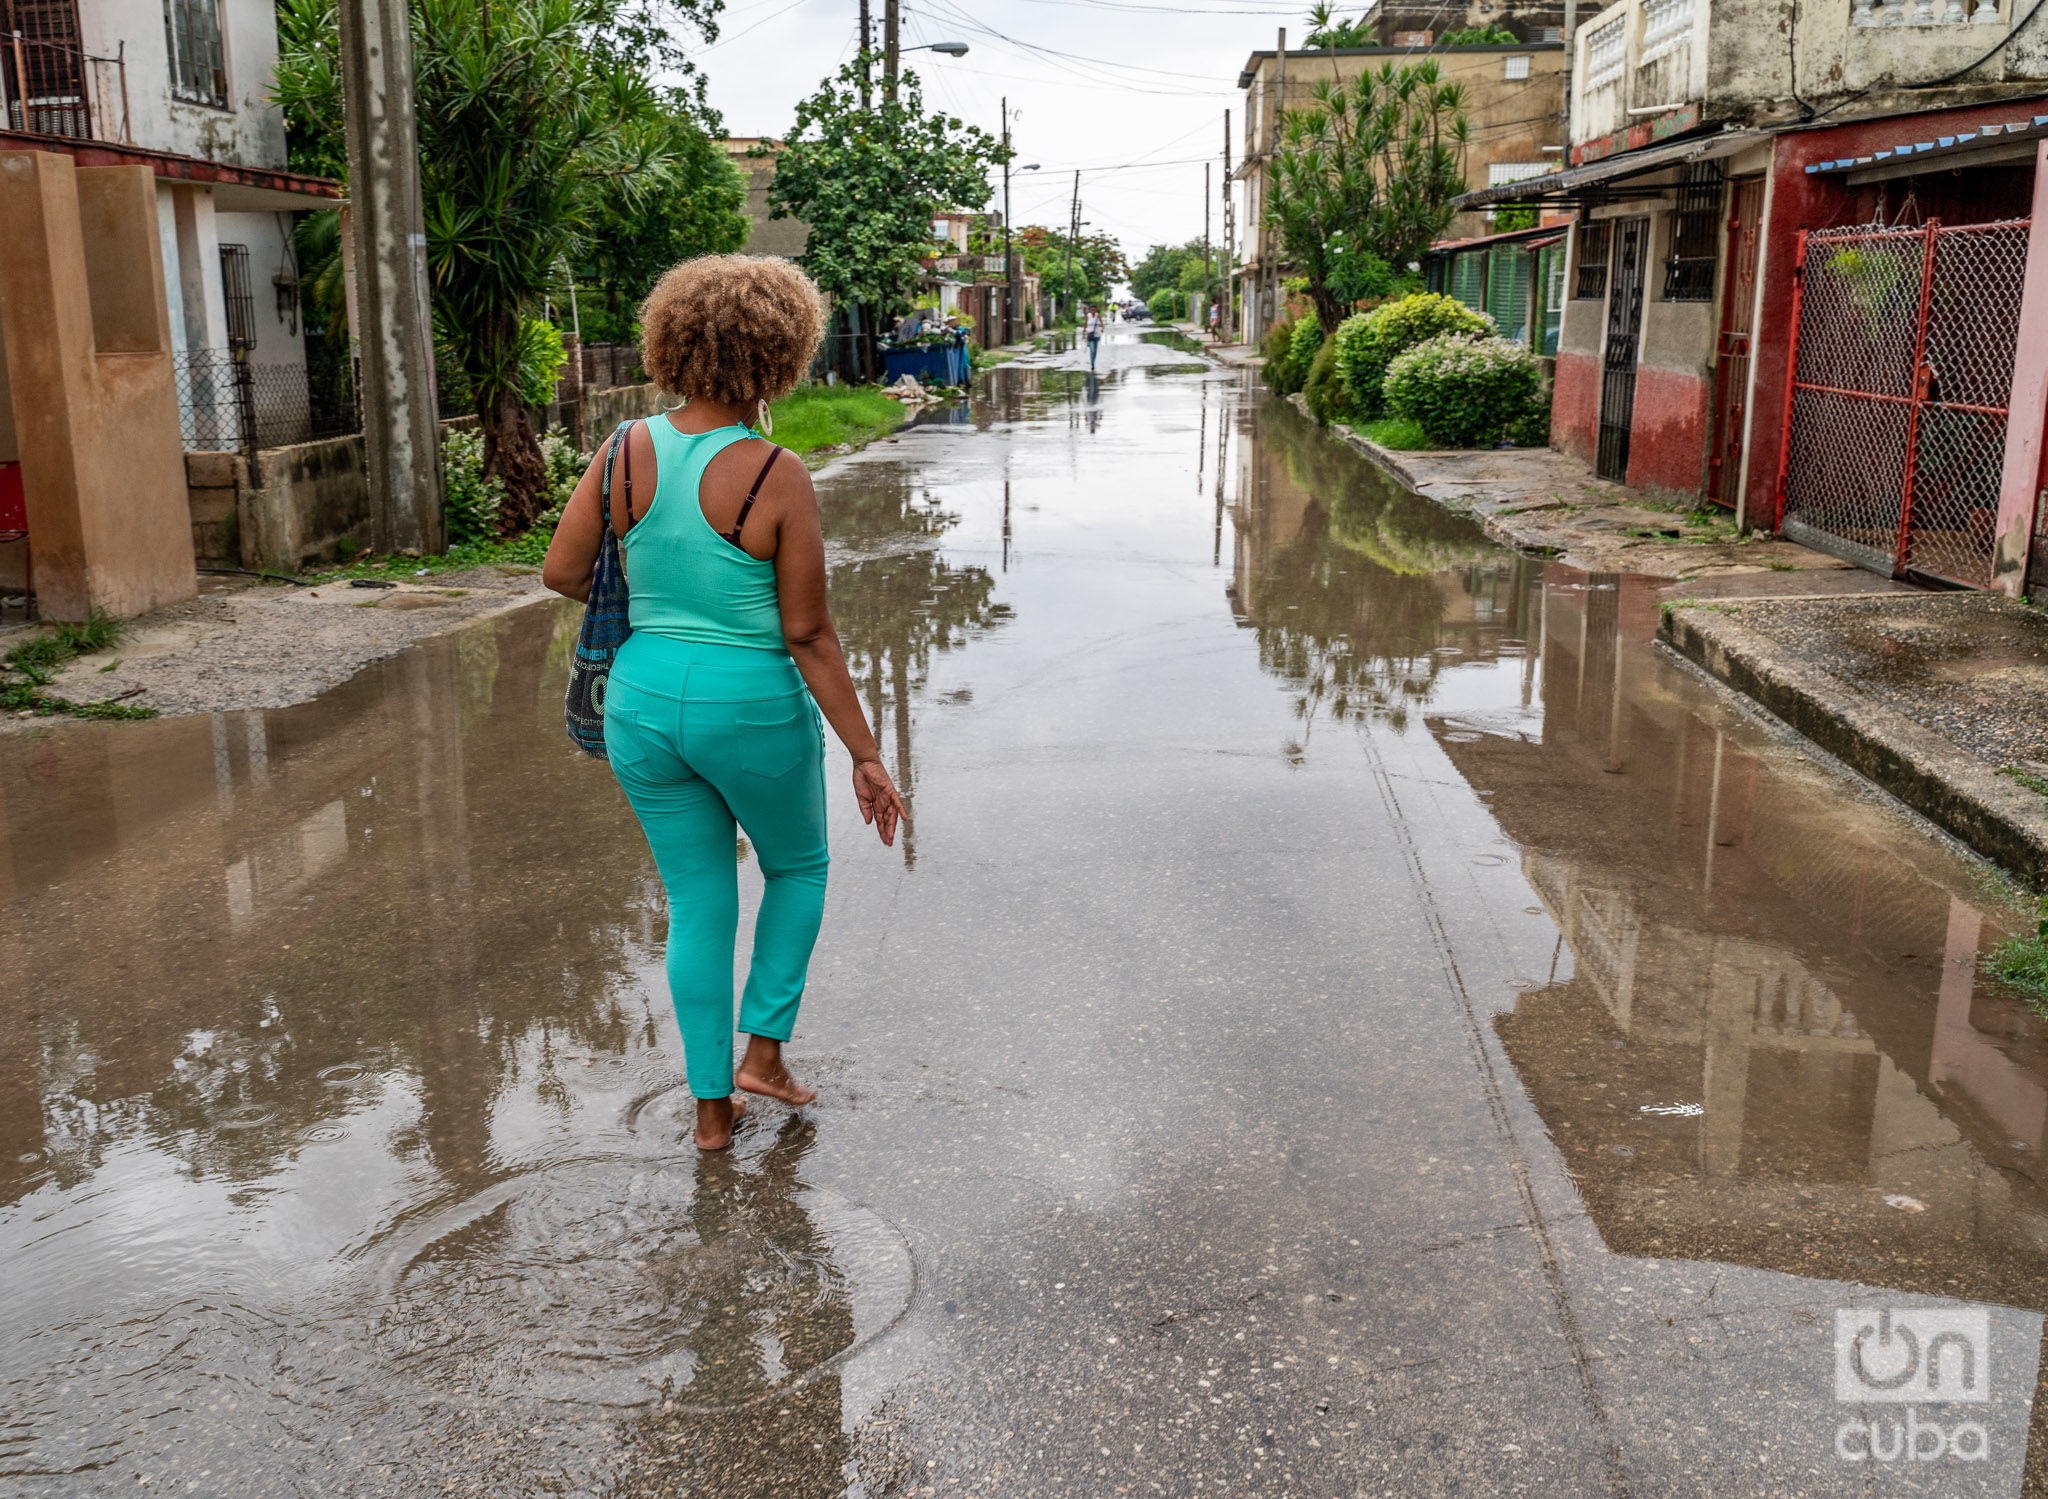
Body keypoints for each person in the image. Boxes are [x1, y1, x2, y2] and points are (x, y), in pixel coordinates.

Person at [543, 255, 905, 1152]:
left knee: (698, 903)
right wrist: (865, 752)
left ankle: (711, 1114)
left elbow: (559, 572)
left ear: (671, 342)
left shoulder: (624, 448)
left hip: (641, 698)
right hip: (748, 704)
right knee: (797, 869)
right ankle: (765, 1056)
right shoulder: (773, 471)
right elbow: (809, 634)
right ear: (782, 353)